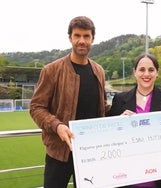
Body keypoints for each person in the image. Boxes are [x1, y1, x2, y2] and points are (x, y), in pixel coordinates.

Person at [29, 16, 110, 188]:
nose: (82, 41)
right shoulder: (51, 70)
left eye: (86, 36)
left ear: (92, 39)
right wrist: (57, 126)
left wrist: (124, 112)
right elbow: (36, 107)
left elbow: (102, 107)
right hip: (59, 152)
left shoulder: (99, 71)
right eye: (77, 36)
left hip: (91, 151)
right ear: (70, 38)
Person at [110, 53, 161, 188]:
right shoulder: (120, 99)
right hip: (127, 175)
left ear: (157, 73)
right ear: (135, 72)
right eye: (142, 69)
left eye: (151, 70)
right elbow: (112, 139)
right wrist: (119, 122)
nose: (146, 74)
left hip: (160, 174)